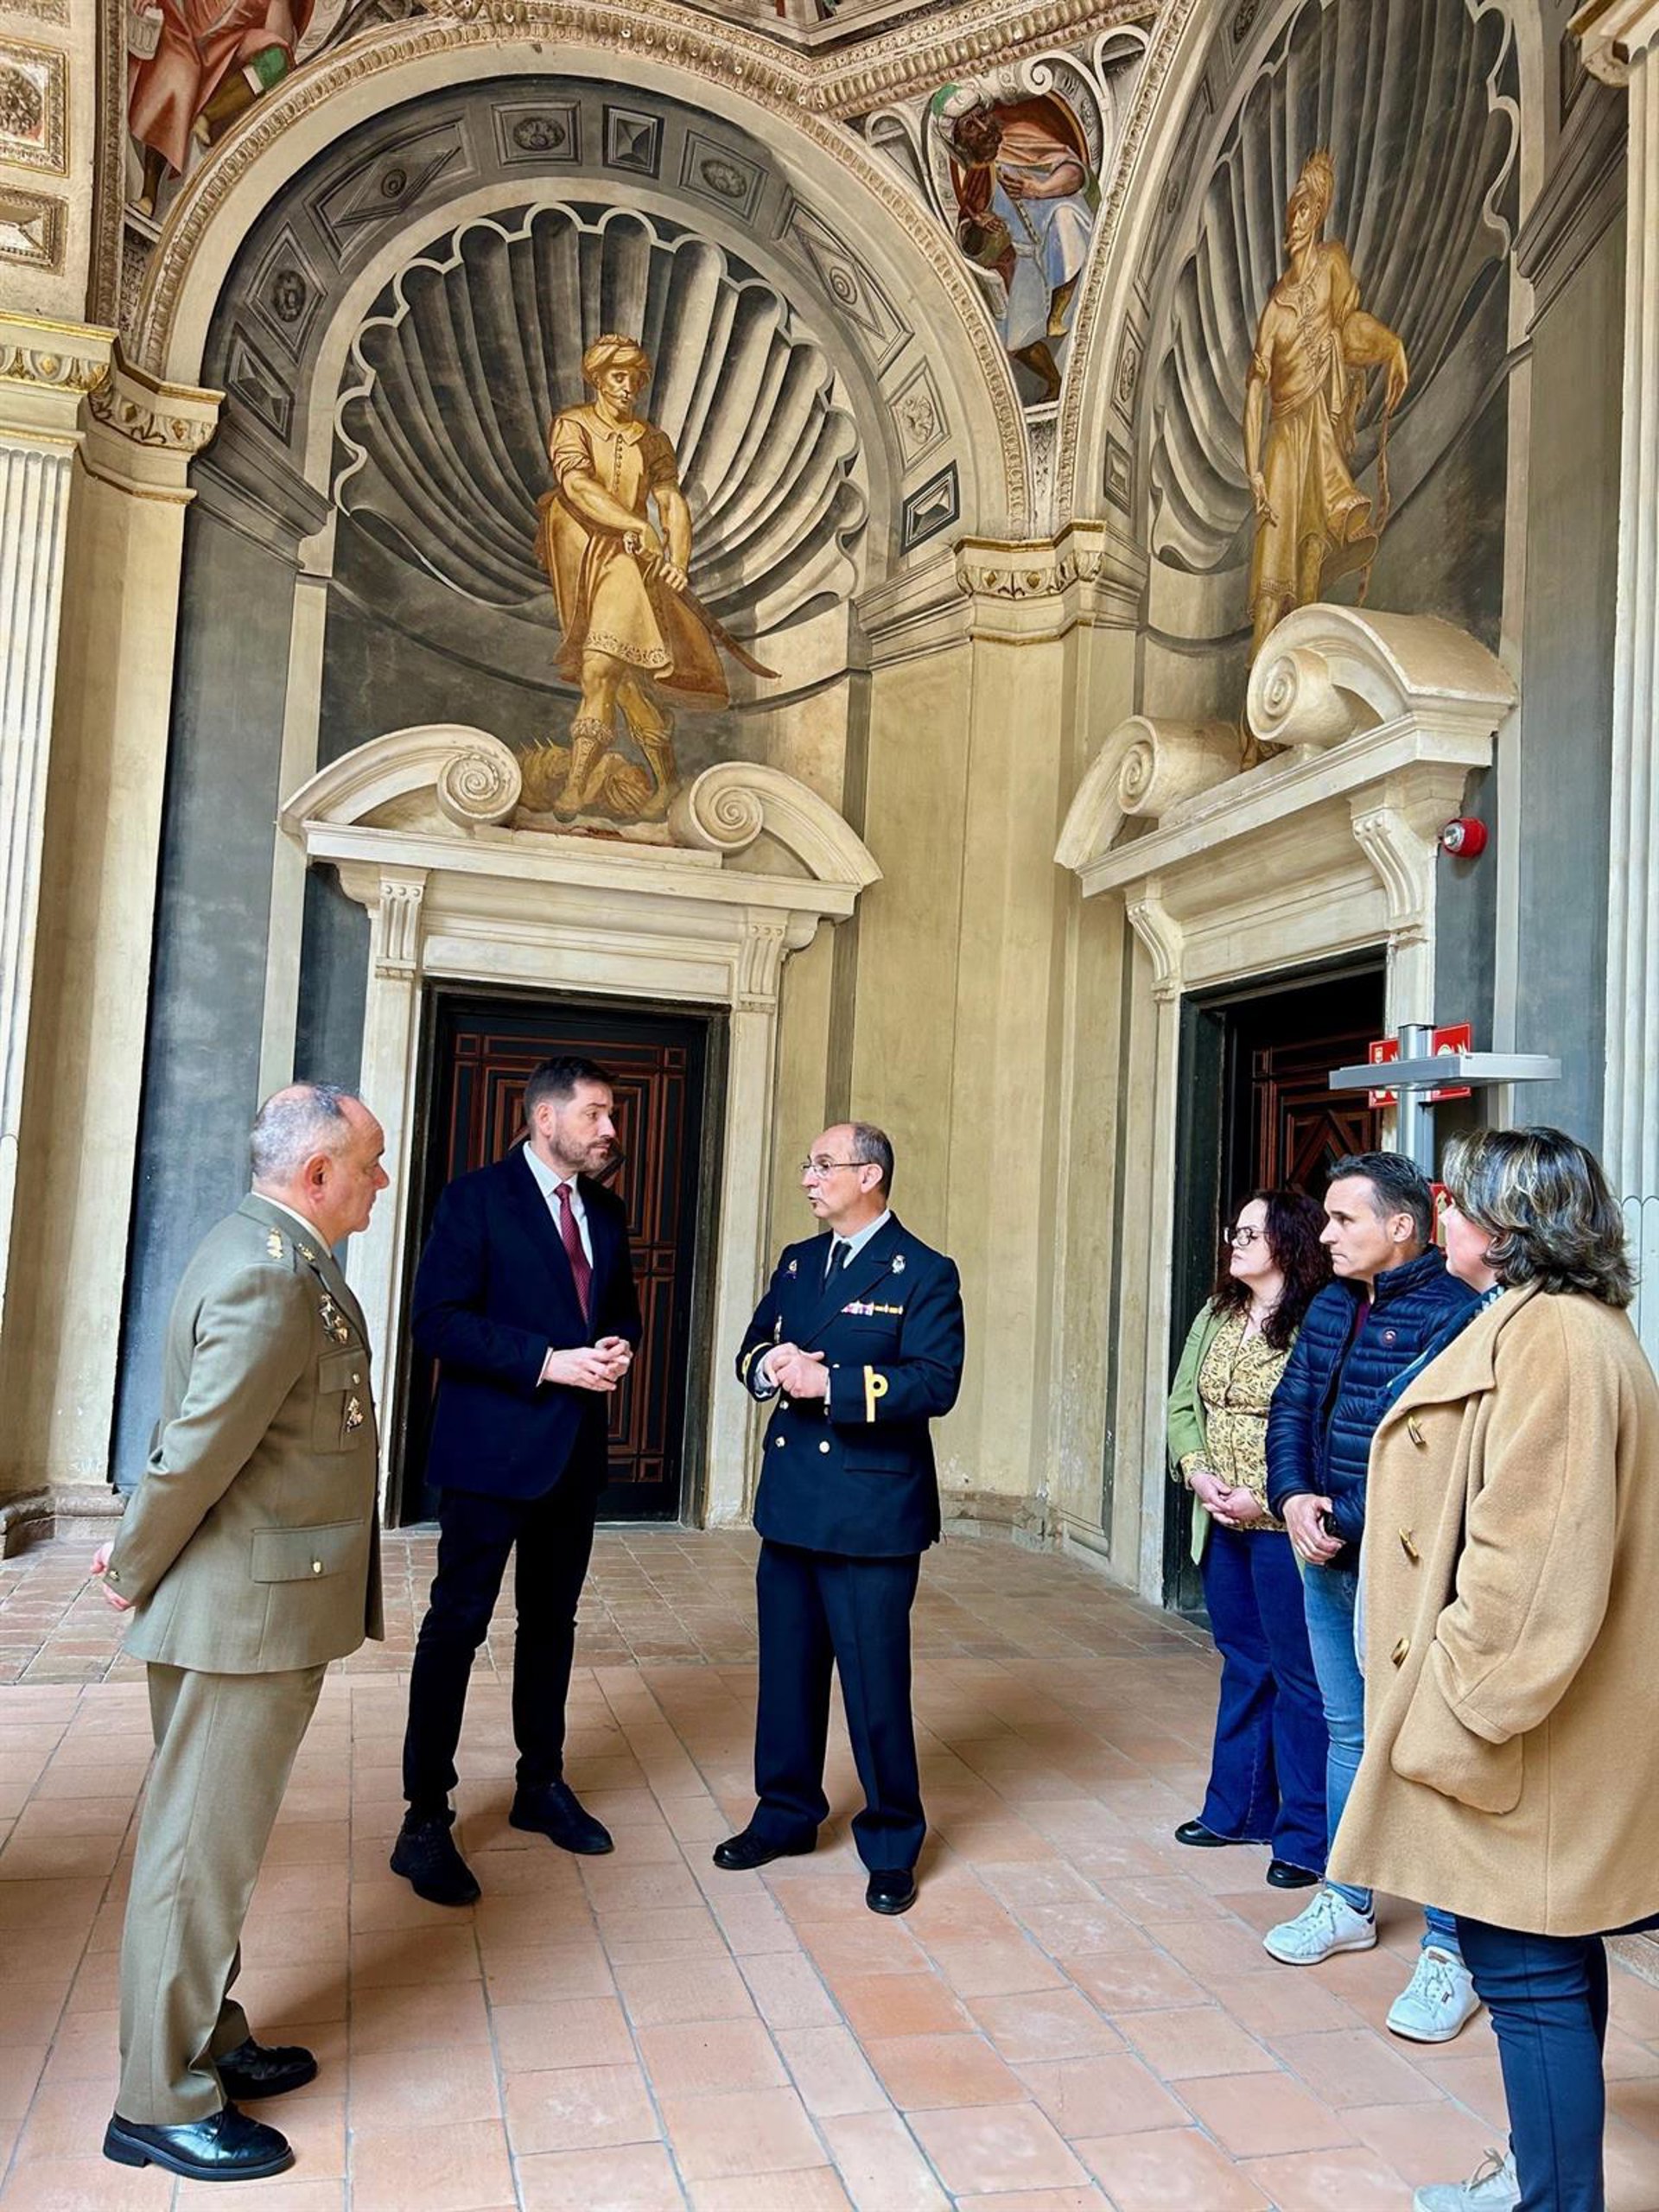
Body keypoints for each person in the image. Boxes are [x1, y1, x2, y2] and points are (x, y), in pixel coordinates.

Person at [1334, 1129, 1659, 2212]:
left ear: (1508, 1224)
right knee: (1545, 1959)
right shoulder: (1556, 1324)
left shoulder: (1556, 1339)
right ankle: (1541, 2177)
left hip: (1518, 1734)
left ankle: (1553, 2199)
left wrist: (1449, 1712)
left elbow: (1533, 1573)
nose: (1442, 1212)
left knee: (1525, 1970)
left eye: (1457, 1197)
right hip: (1538, 1733)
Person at [92, 1084, 387, 2182]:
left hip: (254, 1603)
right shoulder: (272, 1276)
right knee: (194, 1859)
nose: (381, 1179)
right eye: (370, 1161)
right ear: (318, 1174)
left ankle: (208, 2037)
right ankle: (157, 2101)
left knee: (213, 1851)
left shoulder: (272, 1248)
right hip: (240, 1617)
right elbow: (199, 1448)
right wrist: (130, 1563)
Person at [391, 1055, 640, 1907]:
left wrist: (618, 1347)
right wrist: (548, 1361)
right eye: (596, 1113)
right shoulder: (474, 1199)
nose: (610, 1129)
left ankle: (541, 1784)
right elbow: (437, 1322)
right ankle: (425, 1816)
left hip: (573, 1456)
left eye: (612, 1114)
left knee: (551, 1626)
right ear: (545, 1119)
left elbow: (618, 1312)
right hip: (488, 1456)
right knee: (456, 1626)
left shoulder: (606, 1211)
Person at [1262, 1152, 1484, 2044]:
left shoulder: (1457, 1314)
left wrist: (1340, 1515)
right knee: (1346, 1730)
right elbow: (1291, 1408)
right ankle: (1347, 1898)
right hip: (1324, 1551)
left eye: (1343, 1219)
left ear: (1402, 1225)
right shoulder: (1327, 1305)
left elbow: (1433, 1453)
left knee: (1426, 1744)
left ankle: (1450, 1947)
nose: (1325, 1235)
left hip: (1408, 1565)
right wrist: (1292, 1497)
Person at [717, 1122, 964, 1915]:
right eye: (809, 1165)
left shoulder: (922, 1271)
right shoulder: (799, 1262)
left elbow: (935, 1382)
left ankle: (891, 1842)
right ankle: (785, 1814)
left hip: (871, 1513)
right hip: (793, 1504)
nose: (809, 1179)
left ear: (870, 1175)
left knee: (874, 1686)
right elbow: (753, 1346)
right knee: (787, 1677)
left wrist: (833, 1383)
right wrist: (769, 1366)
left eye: (824, 1166)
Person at [1167, 1190, 1332, 1888]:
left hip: (1282, 1527)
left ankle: (1305, 1839)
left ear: (1288, 1242)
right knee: (1243, 1660)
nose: (1234, 1243)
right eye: (1234, 1232)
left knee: (1299, 1678)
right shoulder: (1218, 1312)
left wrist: (1266, 1496)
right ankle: (1236, 1809)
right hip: (1222, 1520)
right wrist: (1198, 1473)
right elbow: (1183, 1403)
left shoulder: (1320, 1319)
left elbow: (1324, 1425)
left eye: (1250, 1234)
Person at [536, 334, 728, 821]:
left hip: (627, 561)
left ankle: (575, 787)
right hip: (583, 553)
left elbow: (671, 502)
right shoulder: (572, 426)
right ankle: (667, 780)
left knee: (602, 668)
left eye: (635, 380)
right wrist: (637, 526)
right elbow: (577, 486)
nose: (628, 387)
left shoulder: (653, 439)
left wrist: (678, 562)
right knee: (625, 682)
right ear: (598, 379)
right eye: (618, 377)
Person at [1242, 146, 1408, 668]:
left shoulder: (1333, 263)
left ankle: (1303, 669)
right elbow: (1255, 389)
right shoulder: (1274, 309)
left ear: (1319, 213)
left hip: (1322, 427)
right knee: (1272, 576)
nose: (1294, 221)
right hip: (1284, 438)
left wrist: (1391, 347)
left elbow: (1349, 326)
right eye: (1291, 211)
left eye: (1304, 210)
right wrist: (1253, 472)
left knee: (1314, 547)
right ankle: (1258, 698)